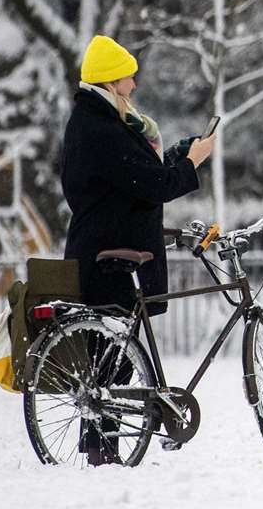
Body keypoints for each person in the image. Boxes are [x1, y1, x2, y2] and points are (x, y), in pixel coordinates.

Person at [61, 34, 214, 465]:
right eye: (130, 77)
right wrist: (194, 162)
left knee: (111, 361)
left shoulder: (103, 124)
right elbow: (153, 185)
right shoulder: (101, 129)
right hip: (108, 256)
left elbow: (140, 180)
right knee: (110, 361)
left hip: (111, 251)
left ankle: (100, 448)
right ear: (111, 81)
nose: (134, 85)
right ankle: (101, 450)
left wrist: (180, 156)